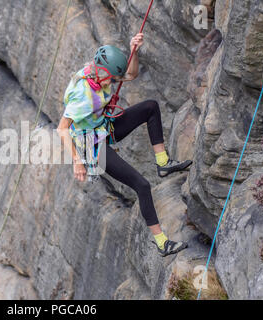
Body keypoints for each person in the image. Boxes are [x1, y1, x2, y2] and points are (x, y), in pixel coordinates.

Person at [57, 33, 193, 257]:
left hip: (104, 127)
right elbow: (62, 128)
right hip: (91, 146)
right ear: (101, 72)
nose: (113, 83)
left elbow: (131, 74)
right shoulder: (82, 95)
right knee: (142, 185)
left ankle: (163, 163)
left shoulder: (103, 73)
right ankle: (162, 243)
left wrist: (134, 51)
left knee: (150, 107)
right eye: (111, 79)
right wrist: (77, 161)